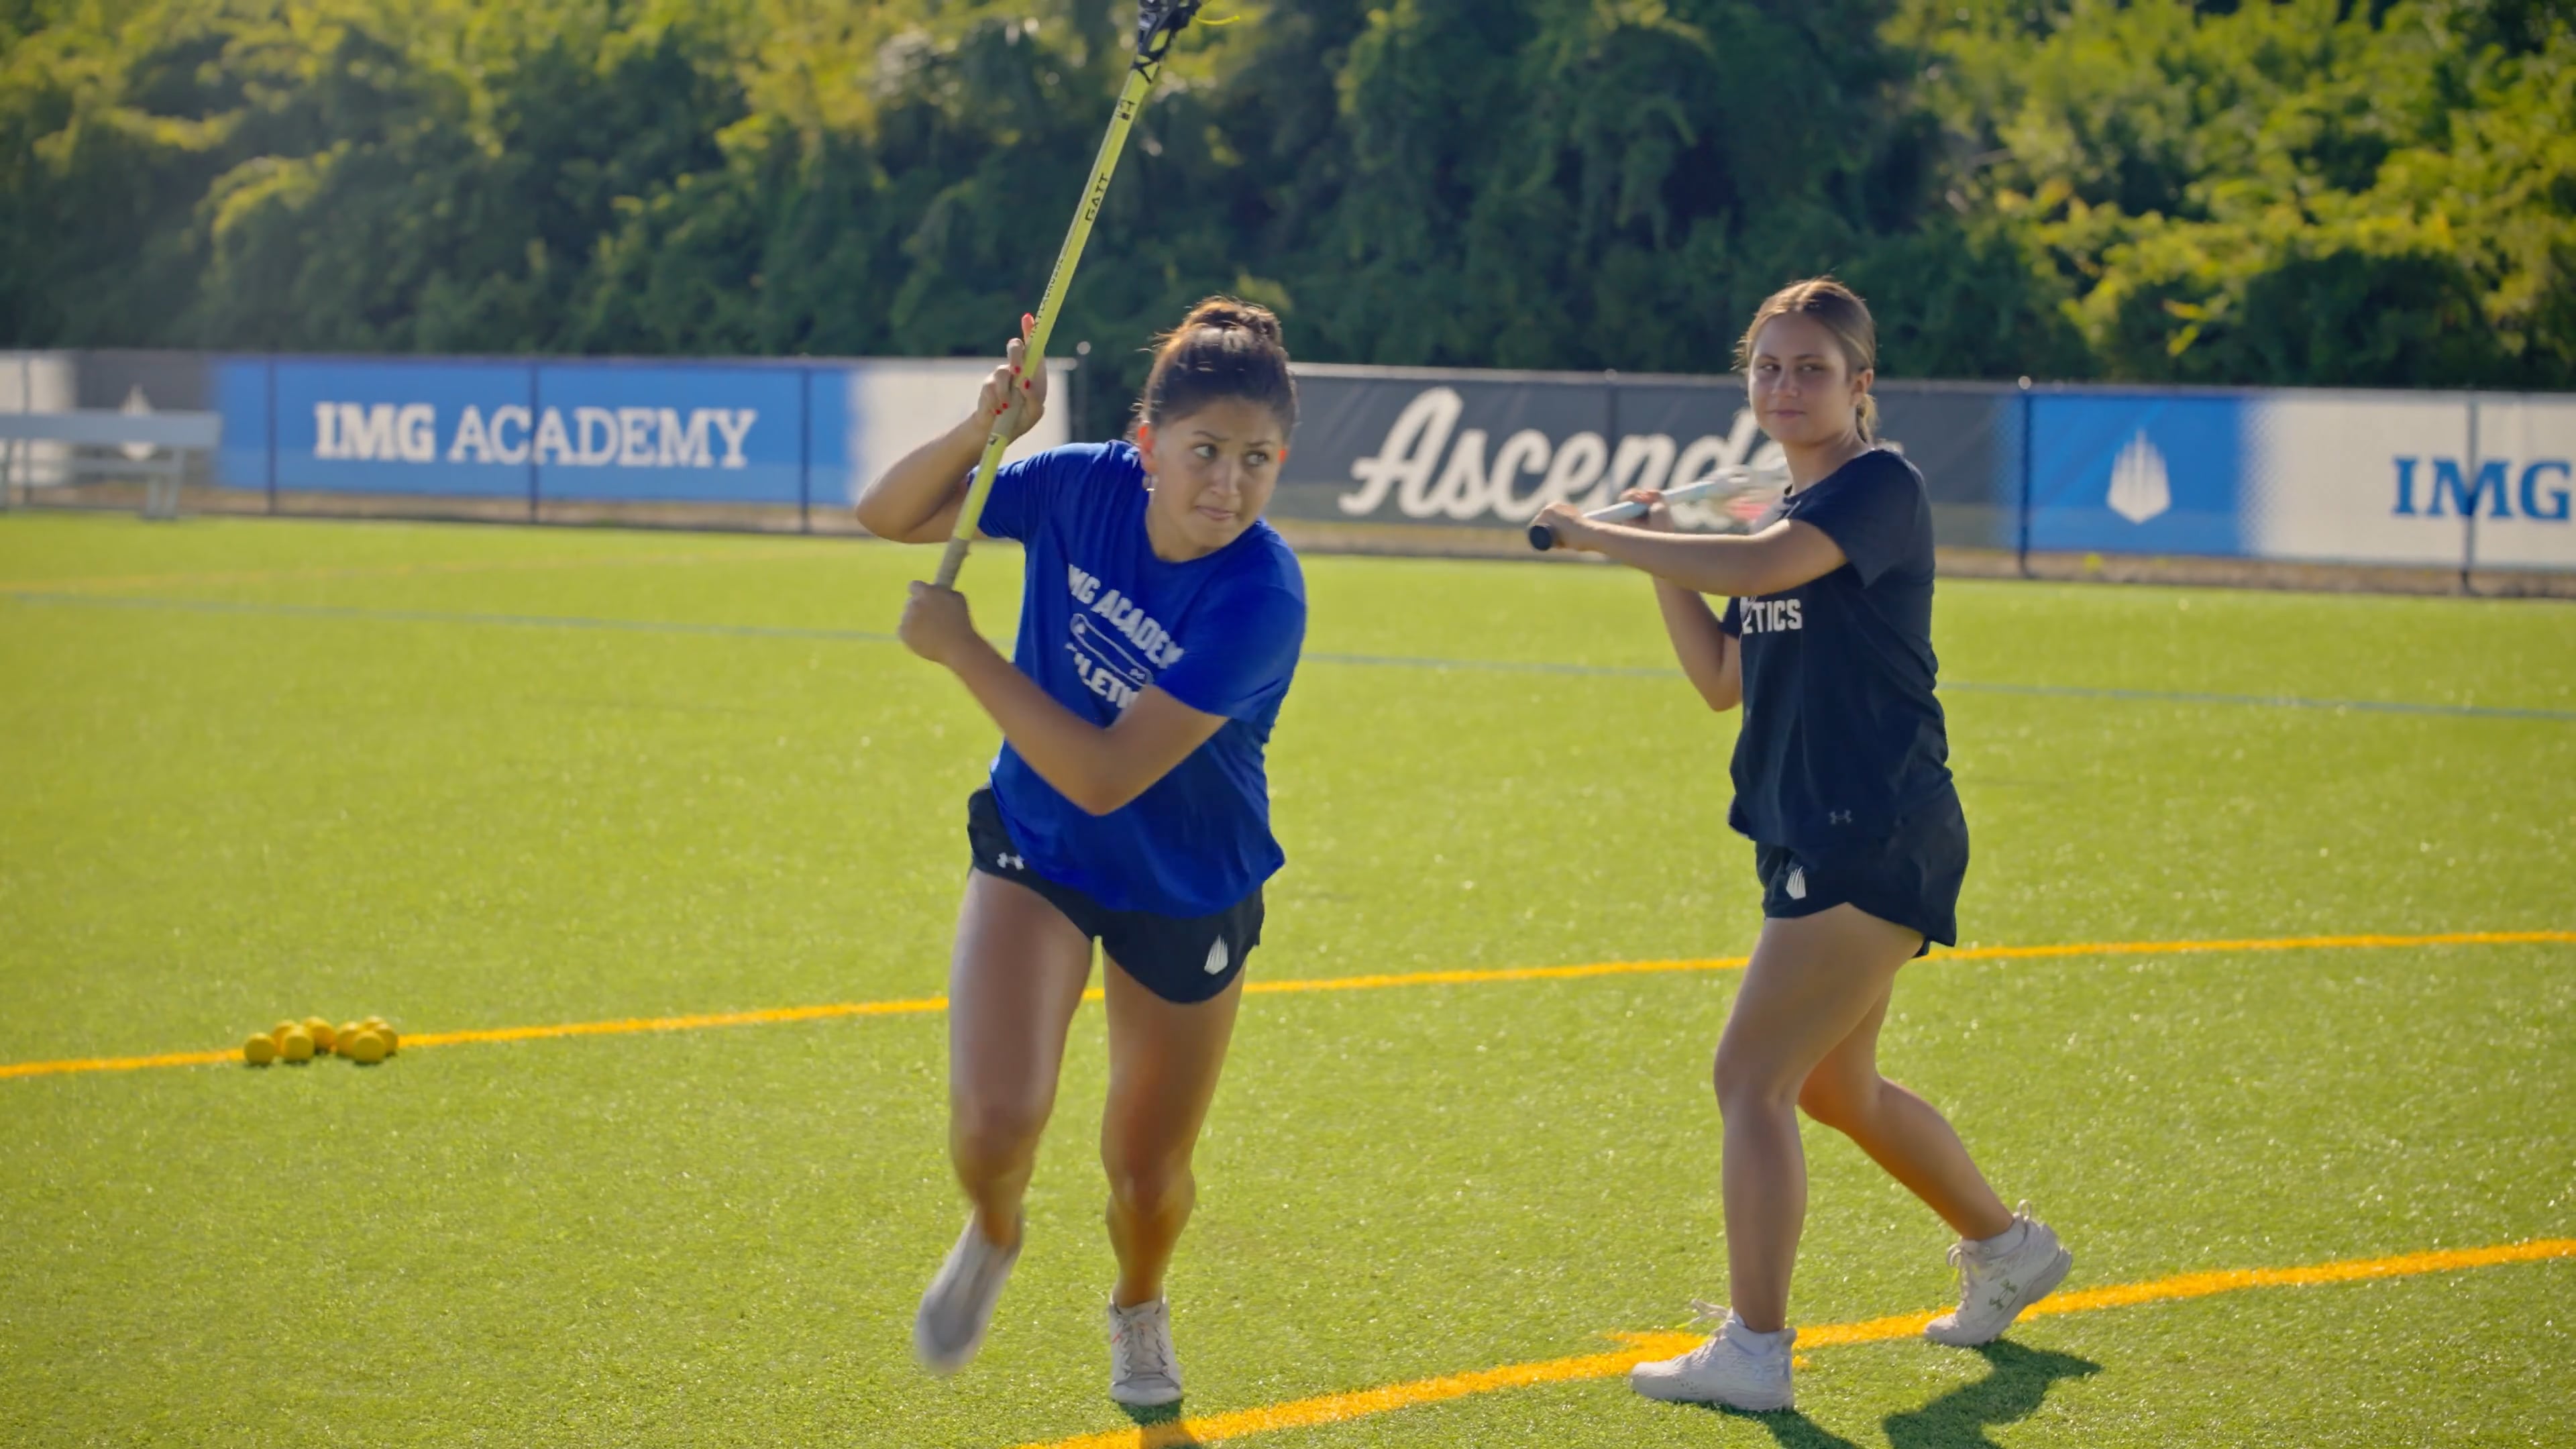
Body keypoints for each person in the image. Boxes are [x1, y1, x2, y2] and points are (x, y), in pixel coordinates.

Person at [1531, 277, 2071, 1413]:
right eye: (1768, 367)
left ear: (1861, 385)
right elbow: (1724, 681)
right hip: (1806, 828)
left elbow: (1768, 571)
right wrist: (1658, 552)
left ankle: (1757, 1351)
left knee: (1751, 1077)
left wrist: (1604, 531)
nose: (1785, 386)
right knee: (1833, 1085)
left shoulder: (1876, 489)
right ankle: (2008, 1247)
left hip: (1870, 826)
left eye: (1812, 368)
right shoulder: (1780, 510)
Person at [855, 299, 1306, 1408]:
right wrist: (984, 430)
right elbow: (891, 514)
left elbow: (1108, 774)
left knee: (1145, 1175)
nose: (1228, 485)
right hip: (1042, 848)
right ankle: (995, 1227)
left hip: (1185, 883)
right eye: (1205, 452)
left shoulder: (1261, 594)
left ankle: (1137, 1303)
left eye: (1258, 461)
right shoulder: (1079, 483)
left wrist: (962, 653)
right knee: (995, 1121)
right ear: (1146, 446)